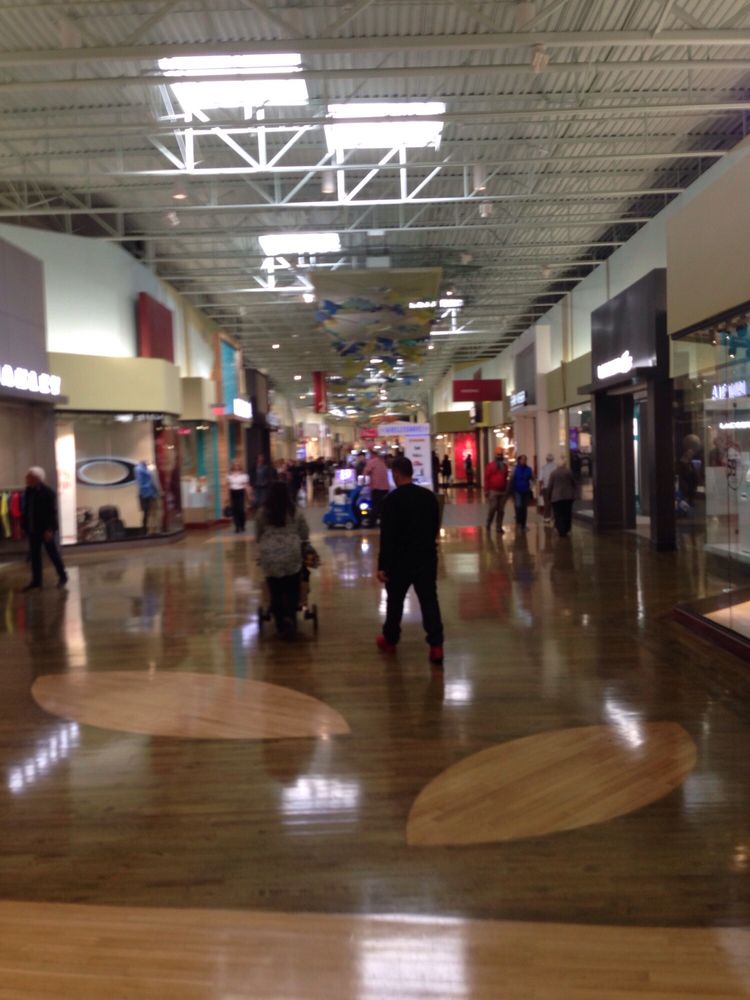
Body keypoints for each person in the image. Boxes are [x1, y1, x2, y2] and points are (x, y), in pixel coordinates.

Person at [375, 456, 444, 667]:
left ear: (396, 473)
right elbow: (435, 527)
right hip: (425, 557)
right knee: (429, 601)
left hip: (399, 561)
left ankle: (390, 639)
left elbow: (387, 537)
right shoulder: (429, 497)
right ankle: (436, 645)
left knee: (395, 602)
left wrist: (382, 566)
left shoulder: (391, 501)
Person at [256, 481, 310, 637]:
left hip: (270, 554)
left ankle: (280, 624)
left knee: (275, 590)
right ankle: (291, 618)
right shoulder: (295, 511)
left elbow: (258, 534)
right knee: (292, 588)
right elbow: (304, 532)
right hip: (291, 554)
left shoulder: (262, 512)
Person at [21, 466, 67, 591]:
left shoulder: (48, 492)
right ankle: (36, 581)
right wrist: (24, 526)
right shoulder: (28, 491)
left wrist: (49, 530)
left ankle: (63, 576)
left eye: (29, 476)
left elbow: (51, 513)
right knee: (35, 556)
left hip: (45, 530)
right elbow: (27, 510)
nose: (26, 478)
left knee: (52, 554)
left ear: (37, 478)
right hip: (33, 529)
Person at [548, 460, 577, 537]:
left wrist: (549, 496)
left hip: (556, 497)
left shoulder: (553, 473)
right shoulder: (569, 472)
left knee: (558, 514)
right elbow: (574, 483)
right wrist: (574, 493)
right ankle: (567, 529)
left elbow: (550, 486)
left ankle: (561, 530)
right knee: (567, 513)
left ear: (557, 465)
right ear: (565, 465)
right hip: (568, 497)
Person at [484, 449, 510, 534]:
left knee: (501, 510)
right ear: (495, 455)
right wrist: (486, 490)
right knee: (493, 507)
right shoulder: (490, 466)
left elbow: (505, 477)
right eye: (498, 454)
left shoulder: (505, 466)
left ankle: (499, 527)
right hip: (493, 490)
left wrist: (507, 490)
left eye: (501, 454)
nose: (499, 456)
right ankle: (489, 522)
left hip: (503, 490)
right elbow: (487, 478)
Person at [364, 449, 390, 525]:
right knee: (383, 506)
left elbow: (365, 472)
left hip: (377, 487)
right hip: (385, 488)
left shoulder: (372, 462)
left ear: (372, 455)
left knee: (375, 505)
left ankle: (371, 522)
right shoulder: (382, 462)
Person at [510, 454, 534, 530]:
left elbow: (532, 478)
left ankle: (523, 524)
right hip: (517, 491)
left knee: (524, 508)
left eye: (525, 459)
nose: (524, 461)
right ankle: (519, 523)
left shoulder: (529, 469)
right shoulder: (515, 469)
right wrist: (511, 490)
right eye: (522, 459)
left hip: (525, 491)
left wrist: (531, 486)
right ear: (519, 460)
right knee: (518, 507)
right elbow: (511, 479)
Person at [135, 459, 158, 534]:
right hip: (148, 494)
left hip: (142, 494)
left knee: (146, 513)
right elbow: (152, 482)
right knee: (151, 512)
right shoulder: (145, 470)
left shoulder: (138, 469)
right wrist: (156, 492)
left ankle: (145, 529)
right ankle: (149, 529)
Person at [227, 460, 250, 533]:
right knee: (235, 509)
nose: (236, 466)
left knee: (240, 509)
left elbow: (246, 485)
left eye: (238, 465)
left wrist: (249, 495)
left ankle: (242, 524)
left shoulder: (243, 475)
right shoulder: (229, 475)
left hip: (241, 492)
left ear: (240, 466)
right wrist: (227, 496)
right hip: (233, 492)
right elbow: (228, 486)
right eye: (235, 465)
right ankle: (237, 526)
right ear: (233, 466)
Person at [538, 453, 557, 523]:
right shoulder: (556, 467)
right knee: (554, 503)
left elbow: (540, 480)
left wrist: (540, 489)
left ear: (546, 460)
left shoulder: (543, 468)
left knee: (547, 503)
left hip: (546, 488)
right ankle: (554, 517)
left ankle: (547, 517)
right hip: (555, 488)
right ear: (553, 459)